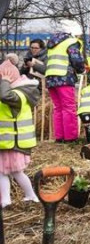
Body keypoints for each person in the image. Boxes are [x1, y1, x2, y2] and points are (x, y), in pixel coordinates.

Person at [0, 60, 39, 207]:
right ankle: (7, 200)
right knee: (4, 172)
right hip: (6, 141)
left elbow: (4, 97)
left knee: (14, 172)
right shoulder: (12, 91)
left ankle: (30, 195)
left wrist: (4, 80)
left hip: (14, 142)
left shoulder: (17, 95)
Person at [45, 19, 85, 143]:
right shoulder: (71, 42)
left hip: (51, 78)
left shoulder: (53, 42)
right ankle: (70, 137)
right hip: (64, 77)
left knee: (58, 108)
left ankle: (60, 137)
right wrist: (81, 69)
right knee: (69, 107)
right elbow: (76, 60)